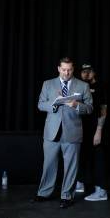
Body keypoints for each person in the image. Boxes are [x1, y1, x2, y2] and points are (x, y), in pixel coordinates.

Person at [35, 57, 93, 208]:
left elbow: (90, 108)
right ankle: (44, 193)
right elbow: (40, 104)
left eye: (70, 70)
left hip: (72, 132)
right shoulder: (47, 84)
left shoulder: (83, 85)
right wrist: (53, 105)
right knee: (48, 165)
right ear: (58, 69)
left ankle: (67, 196)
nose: (67, 72)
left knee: (71, 167)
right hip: (51, 132)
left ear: (73, 69)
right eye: (64, 69)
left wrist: (77, 105)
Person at [76, 63, 109, 201]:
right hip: (82, 128)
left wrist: (99, 130)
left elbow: (103, 110)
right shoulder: (81, 87)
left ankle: (101, 191)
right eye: (83, 72)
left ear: (94, 72)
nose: (86, 74)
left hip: (96, 128)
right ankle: (80, 183)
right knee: (82, 155)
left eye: (89, 71)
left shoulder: (101, 87)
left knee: (98, 158)